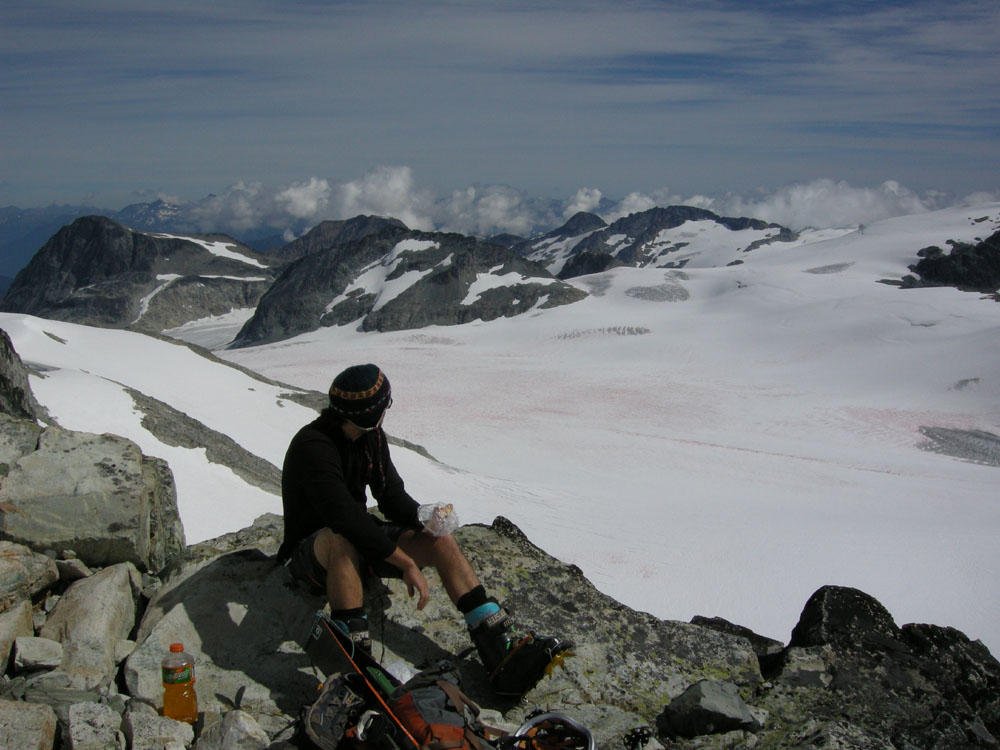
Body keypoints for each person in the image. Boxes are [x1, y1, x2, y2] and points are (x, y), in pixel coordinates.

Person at [278, 363, 568, 696]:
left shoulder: (370, 437)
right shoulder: (314, 446)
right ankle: (354, 664)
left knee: (439, 542)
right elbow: (345, 518)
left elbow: (389, 496)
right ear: (373, 412)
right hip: (312, 554)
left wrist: (424, 520)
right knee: (340, 538)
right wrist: (405, 562)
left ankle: (498, 646)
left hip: (358, 543)